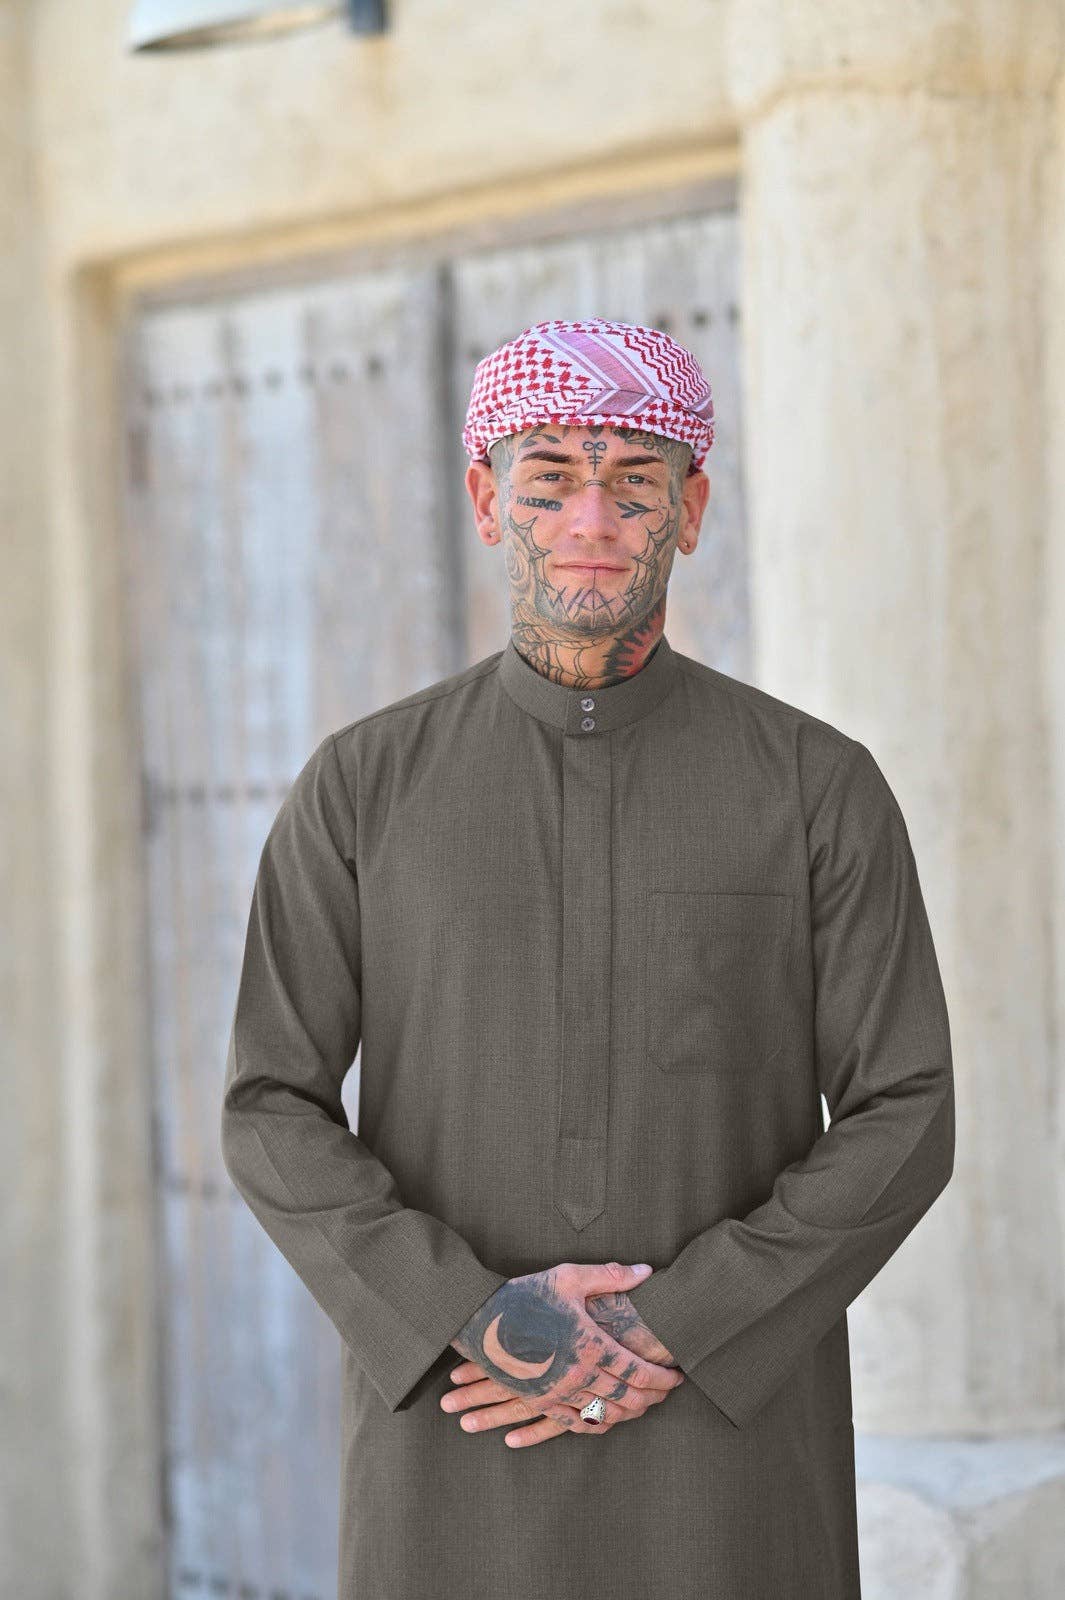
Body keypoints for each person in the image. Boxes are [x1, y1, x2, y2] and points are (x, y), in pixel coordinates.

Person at [221, 316, 955, 1600]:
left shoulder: (815, 786)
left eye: (636, 481)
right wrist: (473, 1315)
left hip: (727, 1450)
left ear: (693, 509)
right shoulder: (362, 787)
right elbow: (269, 1104)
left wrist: (678, 1320)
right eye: (551, 477)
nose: (593, 519)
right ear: (485, 498)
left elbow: (908, 1109)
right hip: (454, 1433)